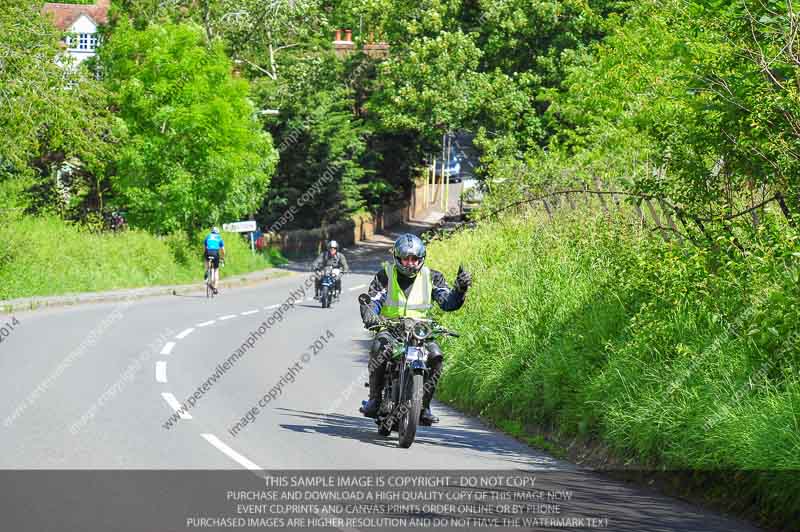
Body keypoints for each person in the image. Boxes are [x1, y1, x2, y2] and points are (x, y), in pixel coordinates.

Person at [359, 233, 472, 425]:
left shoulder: (432, 277)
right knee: (379, 348)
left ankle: (424, 407)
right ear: (397, 257)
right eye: (406, 258)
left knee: (435, 356)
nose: (410, 263)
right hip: (391, 327)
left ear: (421, 259)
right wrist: (370, 315)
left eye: (414, 259)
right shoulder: (385, 275)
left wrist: (460, 290)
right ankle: (375, 399)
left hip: (421, 331)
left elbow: (447, 302)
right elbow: (374, 300)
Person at [204, 227, 225, 294]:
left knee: (206, 259)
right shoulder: (219, 238)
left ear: (212, 232)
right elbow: (223, 251)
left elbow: (204, 248)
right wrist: (222, 257)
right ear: (217, 232)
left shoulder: (207, 236)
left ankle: (206, 272)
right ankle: (215, 288)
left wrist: (205, 254)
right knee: (216, 270)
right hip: (215, 253)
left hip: (208, 252)